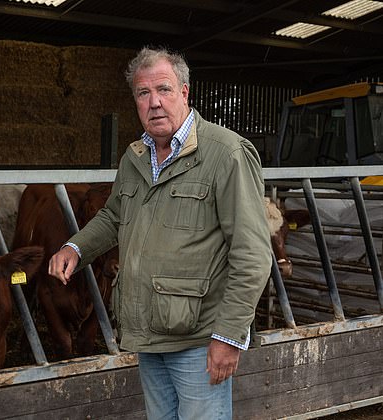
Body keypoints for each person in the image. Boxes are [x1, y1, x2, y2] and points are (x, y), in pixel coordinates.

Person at [48, 46, 272, 419]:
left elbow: (252, 253)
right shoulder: (135, 157)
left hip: (199, 339)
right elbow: (114, 216)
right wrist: (76, 247)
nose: (154, 103)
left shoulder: (226, 154)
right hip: (149, 333)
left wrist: (229, 335)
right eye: (143, 93)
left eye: (164, 90)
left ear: (185, 92)